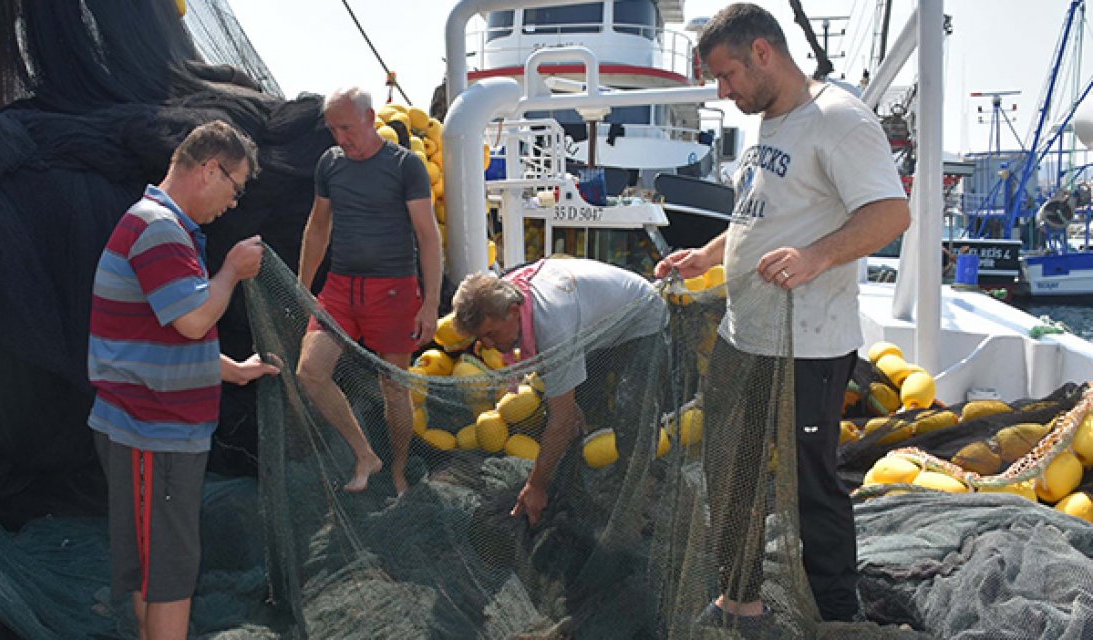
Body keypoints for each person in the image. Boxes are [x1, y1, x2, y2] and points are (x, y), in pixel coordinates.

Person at [654, 3, 910, 626]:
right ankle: (740, 598)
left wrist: (816, 257)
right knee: (729, 470)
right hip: (746, 335)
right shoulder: (769, 120)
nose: (722, 90)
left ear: (763, 53)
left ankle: (834, 618)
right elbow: (757, 215)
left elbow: (890, 213)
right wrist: (707, 255)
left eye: (728, 75)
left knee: (809, 486)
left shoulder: (839, 120)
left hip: (810, 344)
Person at [87, 120, 280, 640]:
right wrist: (231, 271)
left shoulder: (158, 225)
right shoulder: (159, 229)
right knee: (168, 574)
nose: (234, 203)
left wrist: (233, 370)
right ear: (209, 169)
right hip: (153, 433)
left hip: (152, 433)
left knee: (155, 565)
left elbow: (161, 335)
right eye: (235, 187)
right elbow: (194, 319)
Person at [295, 87, 443, 496]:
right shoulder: (329, 164)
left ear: (369, 118)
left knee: (394, 386)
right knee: (310, 371)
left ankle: (396, 471)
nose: (340, 137)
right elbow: (318, 226)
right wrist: (302, 287)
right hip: (340, 288)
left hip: (395, 291)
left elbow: (428, 237)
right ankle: (365, 454)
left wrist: (430, 303)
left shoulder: (406, 166)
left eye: (346, 127)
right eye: (333, 129)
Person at [451, 258, 667, 526]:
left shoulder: (553, 322)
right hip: (592, 321)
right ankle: (577, 482)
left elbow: (561, 421)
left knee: (631, 409)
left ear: (514, 311)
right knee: (573, 408)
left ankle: (640, 491)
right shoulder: (504, 291)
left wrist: (537, 487)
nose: (488, 344)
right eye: (480, 339)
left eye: (491, 333)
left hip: (640, 314)